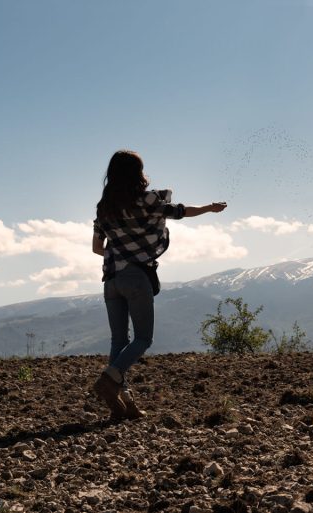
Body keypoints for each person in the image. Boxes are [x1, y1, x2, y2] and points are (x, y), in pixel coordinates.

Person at [91, 150, 227, 419]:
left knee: (119, 341)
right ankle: (110, 380)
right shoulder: (148, 201)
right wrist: (210, 208)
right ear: (137, 173)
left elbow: (97, 248)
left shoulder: (104, 207)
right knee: (143, 338)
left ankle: (123, 404)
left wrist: (121, 244)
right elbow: (182, 211)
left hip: (111, 279)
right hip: (136, 277)